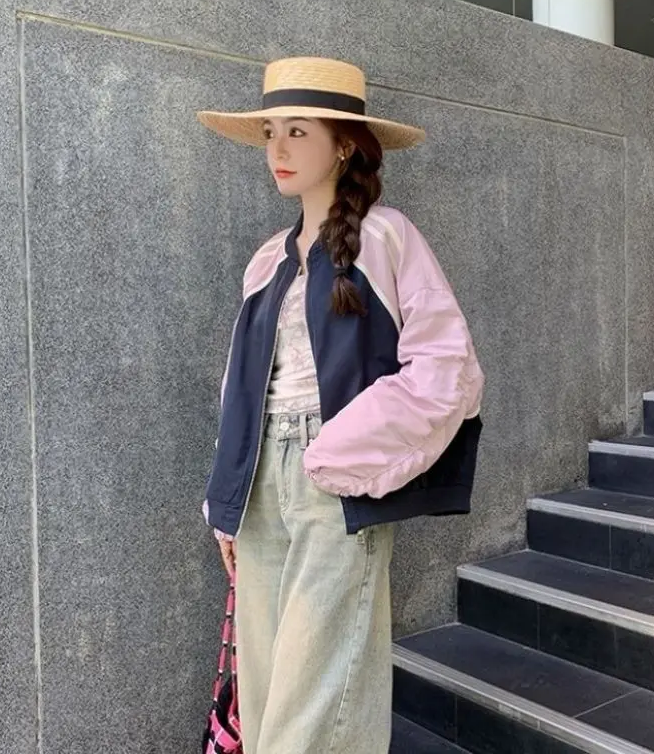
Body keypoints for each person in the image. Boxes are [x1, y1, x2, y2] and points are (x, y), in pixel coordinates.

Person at [196, 56, 485, 754]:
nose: (279, 148)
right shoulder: (266, 259)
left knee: (317, 701)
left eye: (298, 131)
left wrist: (342, 451)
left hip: (336, 482)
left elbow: (448, 368)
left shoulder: (387, 237)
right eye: (271, 131)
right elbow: (241, 384)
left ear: (344, 145)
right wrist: (226, 500)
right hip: (258, 485)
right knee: (265, 691)